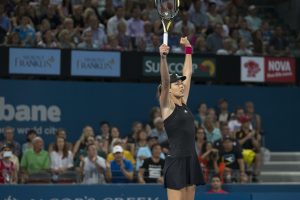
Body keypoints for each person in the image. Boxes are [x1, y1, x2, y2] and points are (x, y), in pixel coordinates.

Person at [158, 37, 205, 200]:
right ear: (169, 90)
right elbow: (164, 81)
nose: (181, 85)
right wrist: (163, 58)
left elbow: (188, 73)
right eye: (177, 83)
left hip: (191, 160)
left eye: (180, 83)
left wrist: (189, 49)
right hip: (176, 162)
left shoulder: (183, 102)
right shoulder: (166, 107)